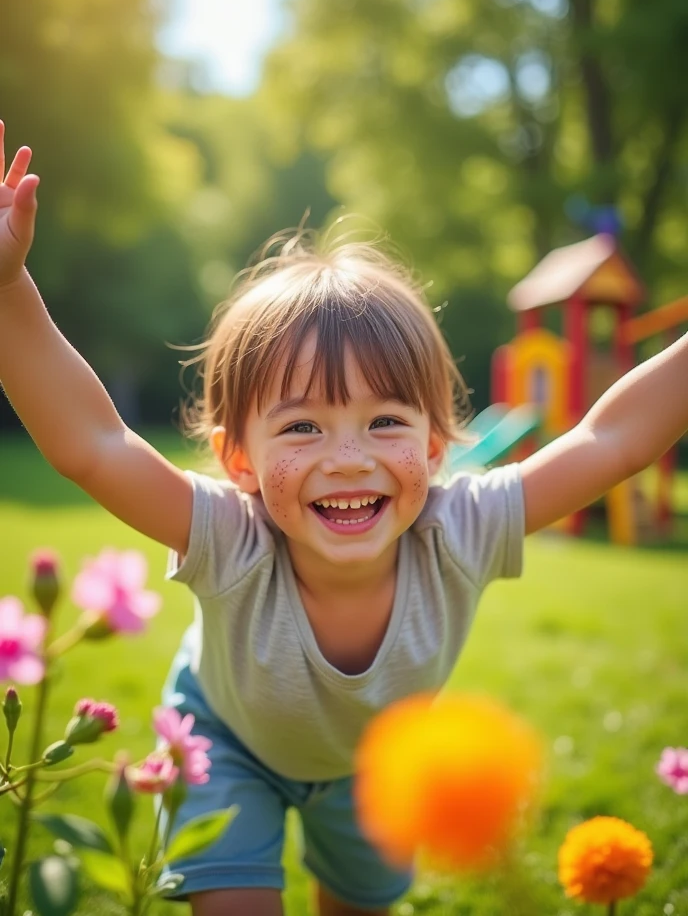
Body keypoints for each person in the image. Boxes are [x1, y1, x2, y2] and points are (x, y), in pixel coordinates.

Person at [0, 119, 687, 916]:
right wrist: (9, 287)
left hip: (374, 767)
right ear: (239, 461)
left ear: (434, 446)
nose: (349, 458)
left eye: (385, 423)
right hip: (224, 745)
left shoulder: (461, 528)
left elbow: (613, 440)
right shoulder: (229, 535)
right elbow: (92, 443)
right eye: (301, 427)